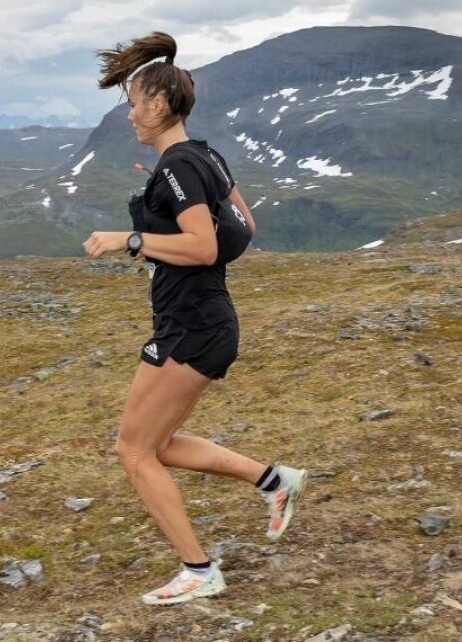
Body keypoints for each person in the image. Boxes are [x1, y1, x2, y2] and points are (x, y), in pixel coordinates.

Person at [82, 31, 308, 606]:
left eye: (134, 102)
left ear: (159, 104)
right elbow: (245, 228)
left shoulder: (180, 165)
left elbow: (205, 246)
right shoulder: (205, 155)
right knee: (151, 445)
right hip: (200, 319)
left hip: (193, 325)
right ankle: (273, 480)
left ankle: (199, 569)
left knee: (133, 452)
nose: (130, 113)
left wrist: (131, 239)